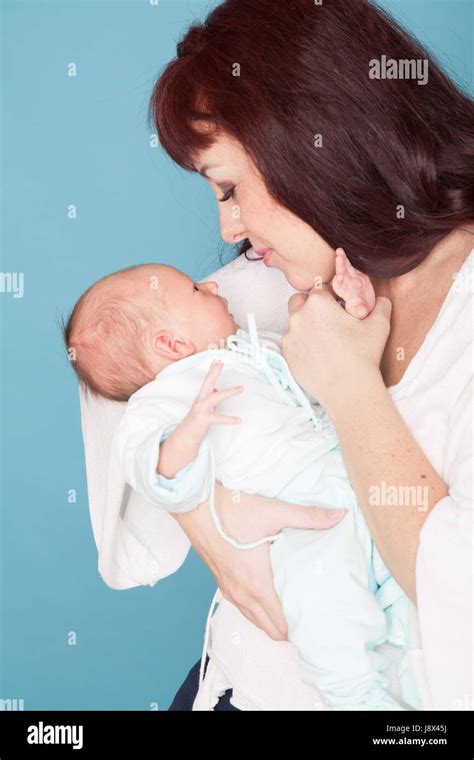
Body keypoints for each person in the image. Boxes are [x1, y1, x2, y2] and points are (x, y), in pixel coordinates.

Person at [141, 0, 473, 710]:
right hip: (229, 681)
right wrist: (210, 518)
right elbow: (124, 384)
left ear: (311, 138)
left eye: (229, 188)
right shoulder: (275, 280)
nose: (227, 224)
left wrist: (351, 388)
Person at [66, 253, 419, 709]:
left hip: (348, 481)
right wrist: (188, 433)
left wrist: (353, 310)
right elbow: (149, 468)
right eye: (197, 291)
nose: (213, 288)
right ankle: (356, 695)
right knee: (326, 603)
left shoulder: (256, 346)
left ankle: (416, 691)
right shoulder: (161, 401)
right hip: (293, 516)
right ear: (171, 344)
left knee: (406, 594)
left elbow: (330, 373)